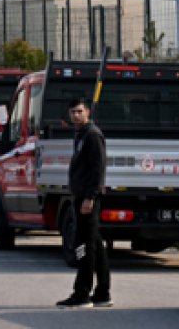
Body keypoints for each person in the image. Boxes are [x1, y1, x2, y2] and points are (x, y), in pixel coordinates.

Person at [57, 98, 112, 309]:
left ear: (87, 112)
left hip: (88, 199)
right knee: (95, 245)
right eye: (72, 112)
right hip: (80, 196)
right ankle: (103, 293)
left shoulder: (92, 135)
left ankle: (82, 293)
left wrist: (90, 197)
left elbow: (98, 170)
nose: (75, 116)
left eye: (79, 111)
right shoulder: (80, 134)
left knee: (83, 247)